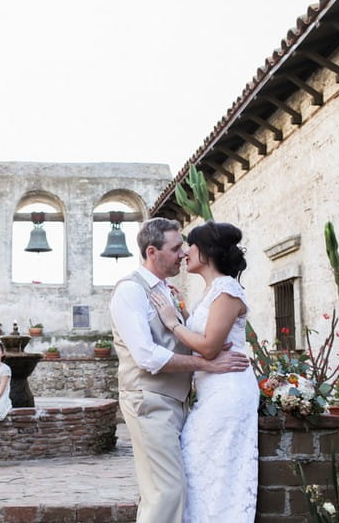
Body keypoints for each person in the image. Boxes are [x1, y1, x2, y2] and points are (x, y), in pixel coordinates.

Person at [109, 217, 252, 523]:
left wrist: (183, 320)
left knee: (173, 488)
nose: (184, 253)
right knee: (166, 491)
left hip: (179, 401)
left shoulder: (170, 292)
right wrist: (206, 363)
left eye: (186, 247)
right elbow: (146, 356)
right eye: (175, 248)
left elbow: (197, 338)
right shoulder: (130, 291)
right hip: (149, 399)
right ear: (152, 252)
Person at [150, 220, 259, 522]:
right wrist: (184, 312)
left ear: (207, 251)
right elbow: (204, 335)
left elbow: (209, 346)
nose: (185, 252)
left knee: (214, 472)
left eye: (191, 246)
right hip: (213, 391)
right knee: (199, 467)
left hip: (228, 392)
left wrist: (172, 322)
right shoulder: (212, 291)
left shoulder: (227, 289)